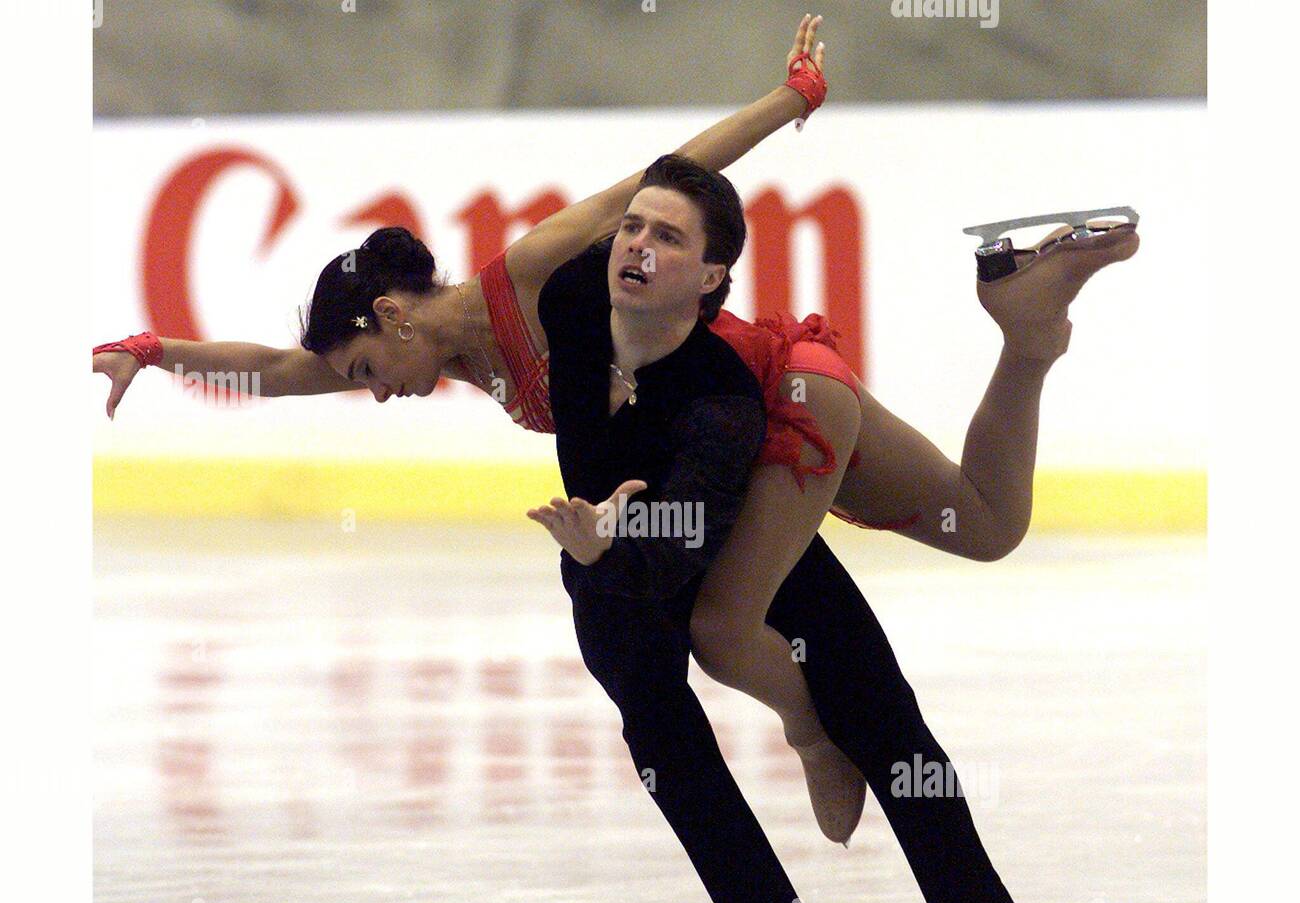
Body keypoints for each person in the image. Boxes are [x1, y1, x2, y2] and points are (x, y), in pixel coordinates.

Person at [91, 13, 1139, 844]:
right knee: (990, 523)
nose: (366, 393)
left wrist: (792, 99)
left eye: (364, 368)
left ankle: (817, 732)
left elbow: (667, 176)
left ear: (394, 314)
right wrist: (152, 350)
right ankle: (1024, 324)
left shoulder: (532, 269)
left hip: (774, 404)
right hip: (784, 405)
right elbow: (277, 373)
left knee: (724, 631)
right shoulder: (445, 360)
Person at [524, 157, 1064, 903]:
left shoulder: (721, 402)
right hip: (608, 577)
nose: (637, 245)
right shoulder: (570, 300)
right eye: (633, 226)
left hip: (704, 529)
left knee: (875, 697)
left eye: (667, 236)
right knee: (668, 742)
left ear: (710, 279)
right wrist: (596, 553)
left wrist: (616, 539)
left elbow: (687, 542)